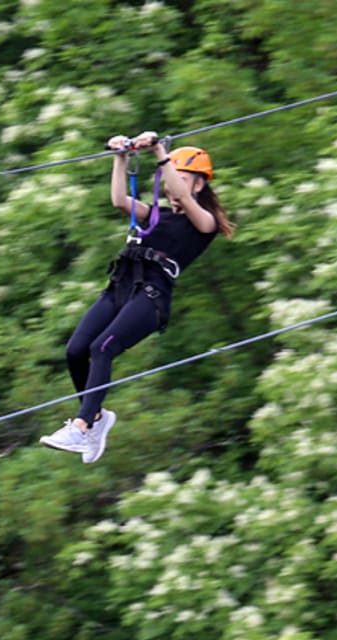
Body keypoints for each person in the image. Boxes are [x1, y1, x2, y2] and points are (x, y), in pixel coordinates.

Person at [40, 130, 235, 464]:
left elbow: (185, 201)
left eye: (181, 178)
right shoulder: (158, 215)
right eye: (170, 178)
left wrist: (160, 151)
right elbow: (119, 200)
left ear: (198, 185)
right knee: (75, 351)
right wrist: (121, 155)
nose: (172, 185)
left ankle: (82, 425)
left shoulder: (205, 223)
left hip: (150, 296)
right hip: (120, 287)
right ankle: (97, 419)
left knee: (103, 348)